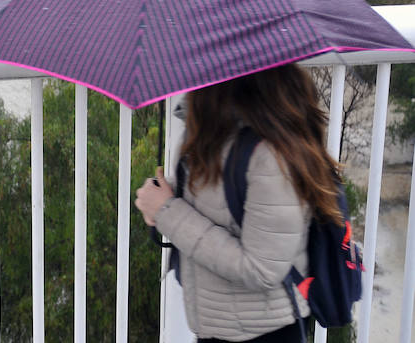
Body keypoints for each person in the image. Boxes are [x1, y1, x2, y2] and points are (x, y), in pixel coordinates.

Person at [135, 64, 343, 342]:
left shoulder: (271, 155)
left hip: (265, 332)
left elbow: (262, 270)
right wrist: (167, 195)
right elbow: (220, 199)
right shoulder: (215, 134)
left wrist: (168, 212)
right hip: (220, 326)